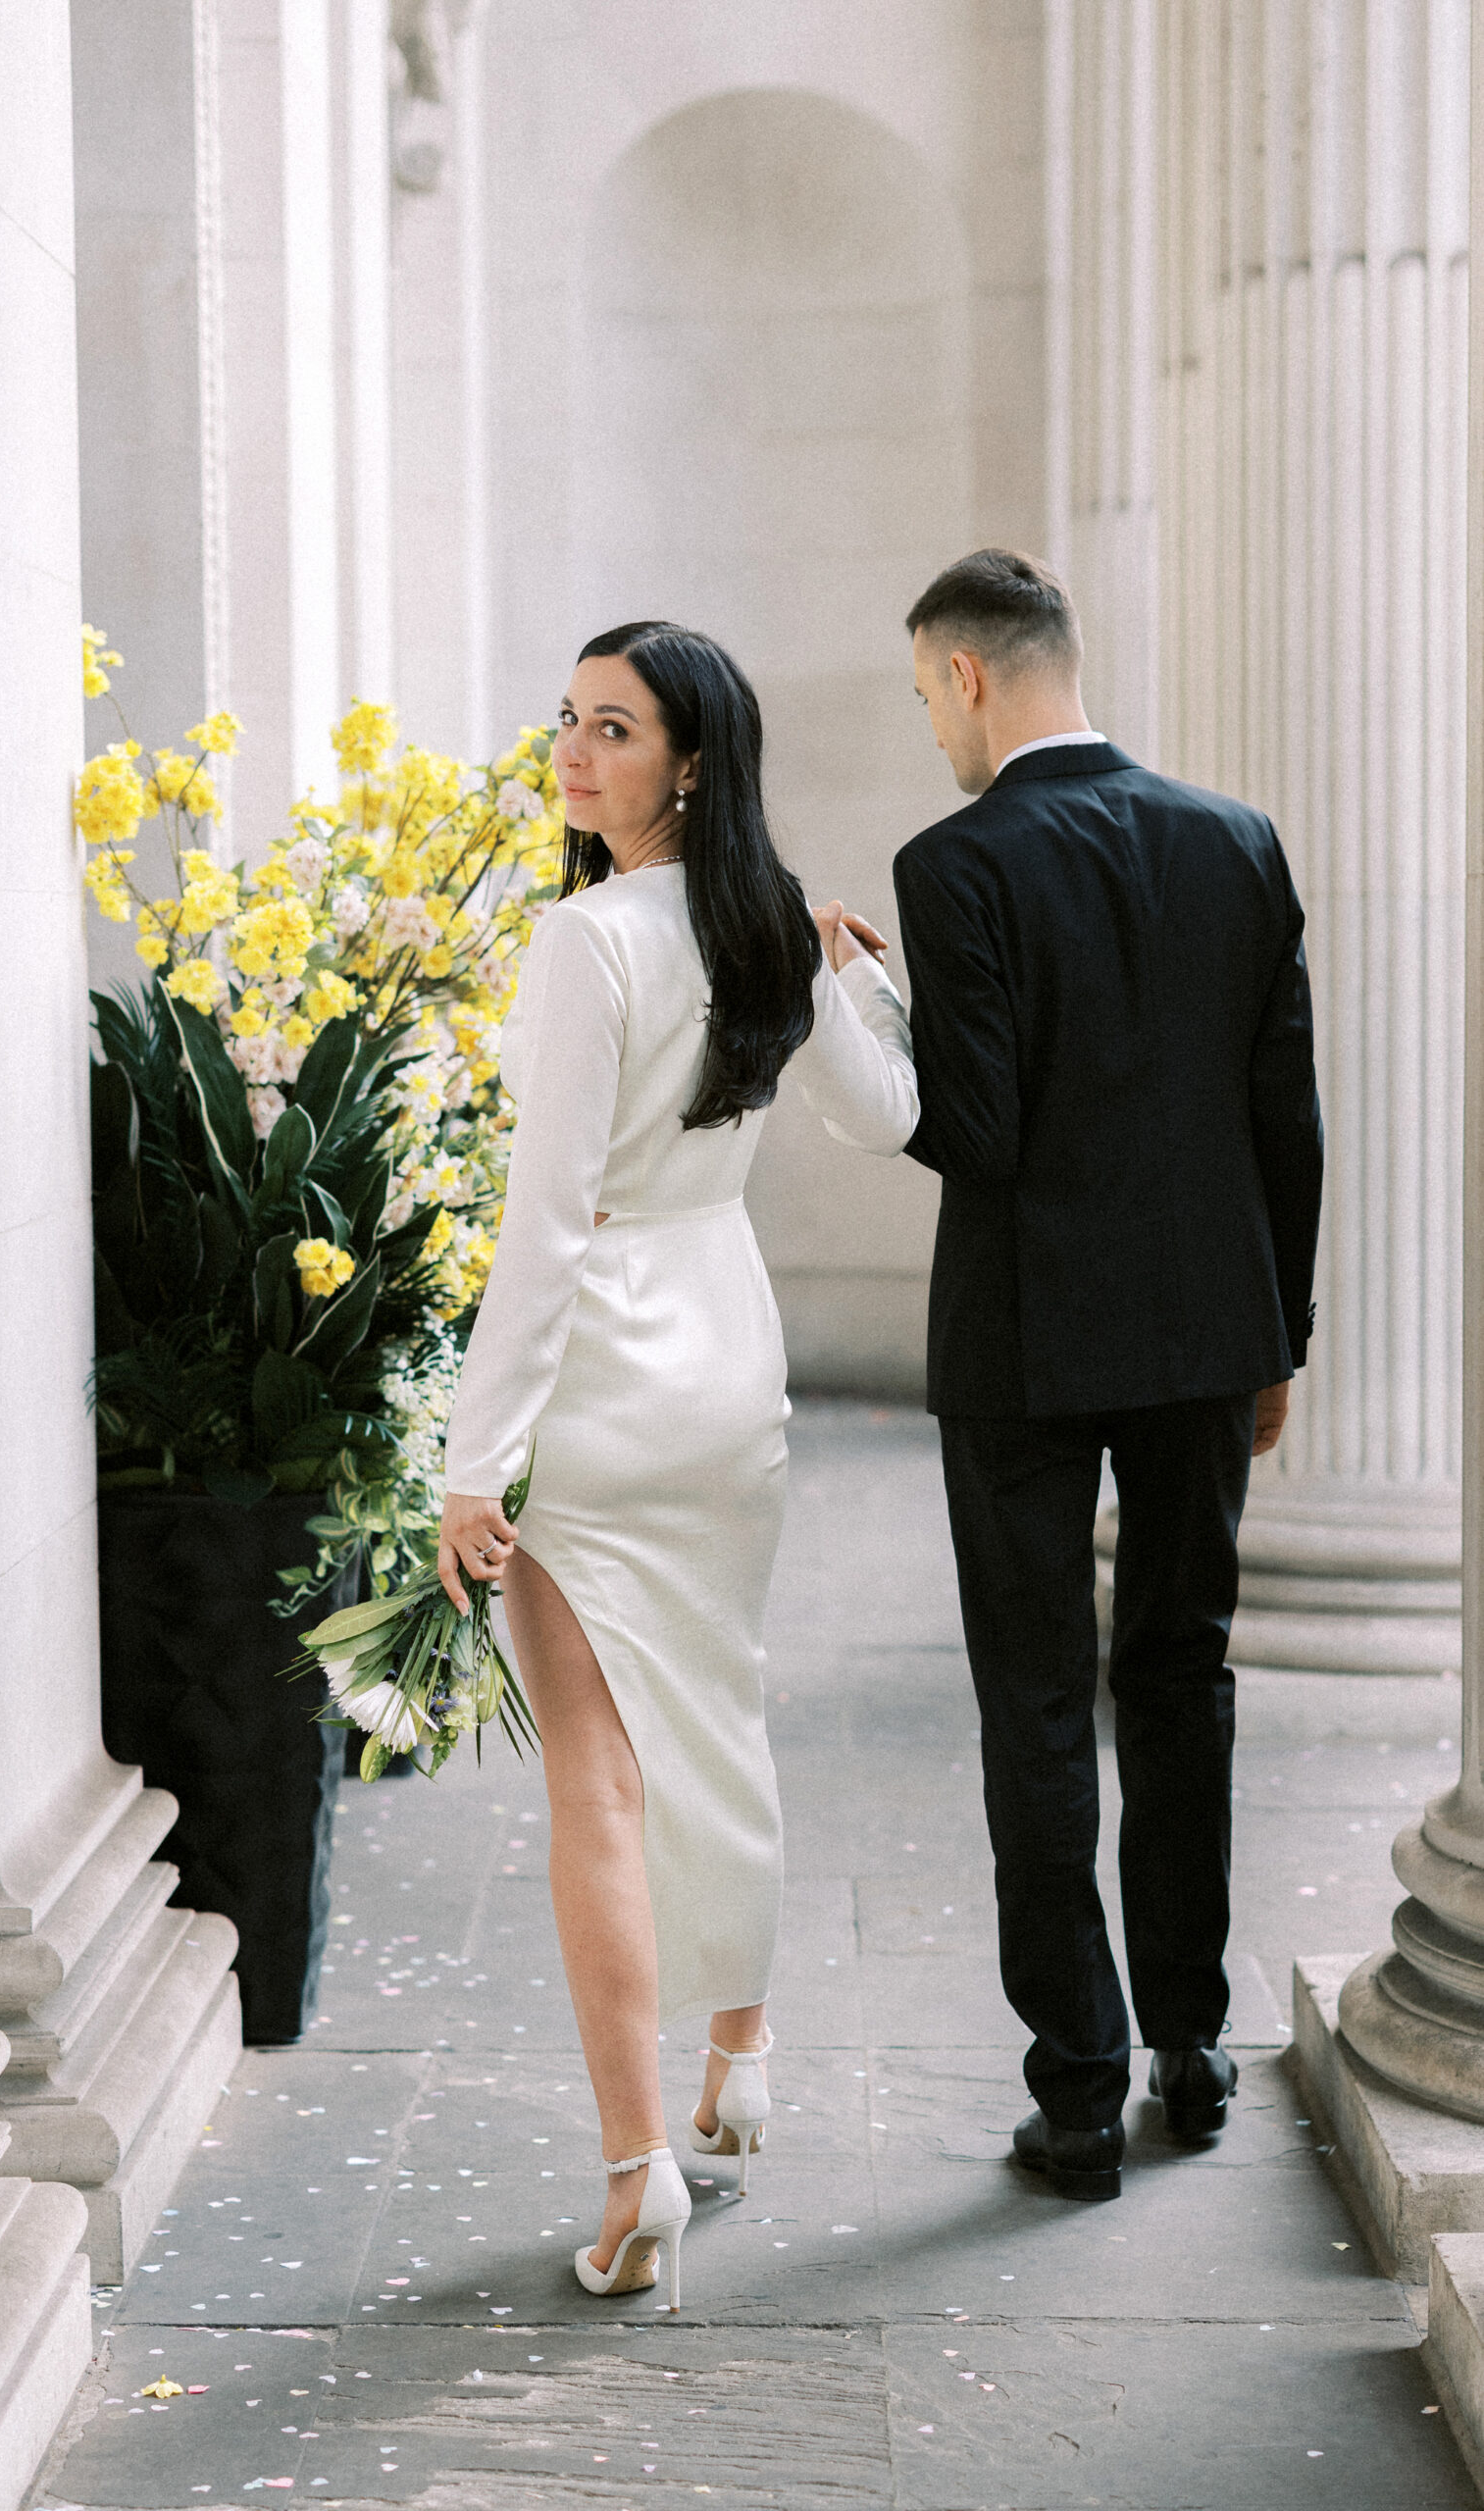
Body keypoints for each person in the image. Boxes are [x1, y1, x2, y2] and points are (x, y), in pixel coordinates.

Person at [436, 621, 919, 2305]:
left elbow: (547, 1225)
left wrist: (473, 1459)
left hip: (607, 1369)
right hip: (730, 1349)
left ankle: (641, 2172)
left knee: (597, 1776)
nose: (573, 753)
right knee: (714, 1702)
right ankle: (744, 2052)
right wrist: (850, 968)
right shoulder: (768, 921)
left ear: (689, 760)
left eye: (613, 728)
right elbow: (888, 1115)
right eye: (566, 721)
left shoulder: (590, 940)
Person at [892, 548, 1324, 2202]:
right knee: (1182, 1673)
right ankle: (1193, 2044)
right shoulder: (1237, 842)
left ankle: (1076, 2090)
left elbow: (978, 1128)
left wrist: (875, 1018)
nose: (932, 723)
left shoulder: (956, 862)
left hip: (1020, 1349)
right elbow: (1285, 1115)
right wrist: (1276, 1335)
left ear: (969, 679)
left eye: (927, 690)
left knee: (1037, 1697)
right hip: (1209, 1334)